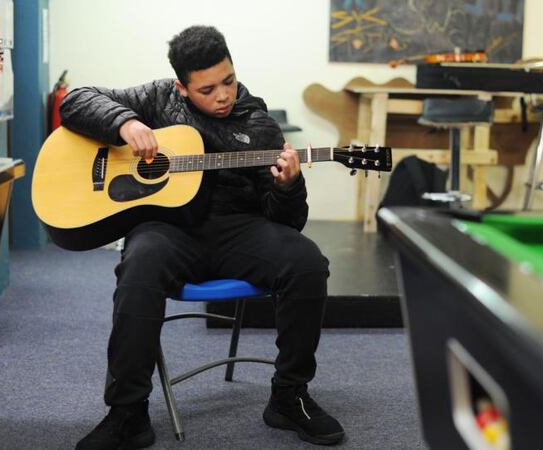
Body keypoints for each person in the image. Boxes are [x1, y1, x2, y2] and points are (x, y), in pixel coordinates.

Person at [60, 25, 345, 449]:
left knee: (306, 262)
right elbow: (76, 100)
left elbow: (286, 222)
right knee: (140, 263)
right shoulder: (159, 97)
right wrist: (125, 123)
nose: (223, 95)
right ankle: (128, 414)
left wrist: (288, 186)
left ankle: (289, 396)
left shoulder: (260, 125)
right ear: (182, 87)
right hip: (169, 229)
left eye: (228, 81)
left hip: (238, 230)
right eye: (208, 89)